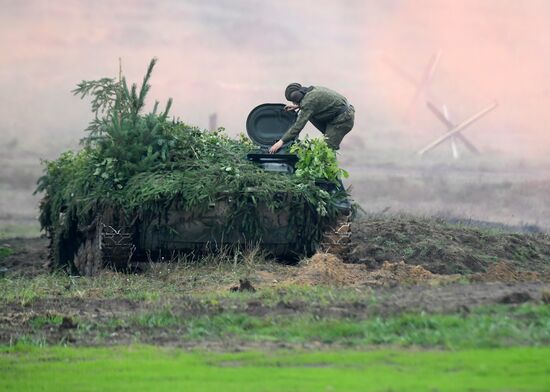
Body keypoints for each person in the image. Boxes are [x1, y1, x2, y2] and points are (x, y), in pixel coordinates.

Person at [269, 83, 355, 153]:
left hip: (343, 120)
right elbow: (315, 103)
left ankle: (329, 170)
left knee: (326, 150)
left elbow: (298, 126)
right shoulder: (311, 91)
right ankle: (329, 135)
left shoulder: (308, 103)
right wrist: (298, 106)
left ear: (295, 97)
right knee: (309, 116)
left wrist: (281, 142)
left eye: (292, 100)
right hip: (338, 114)